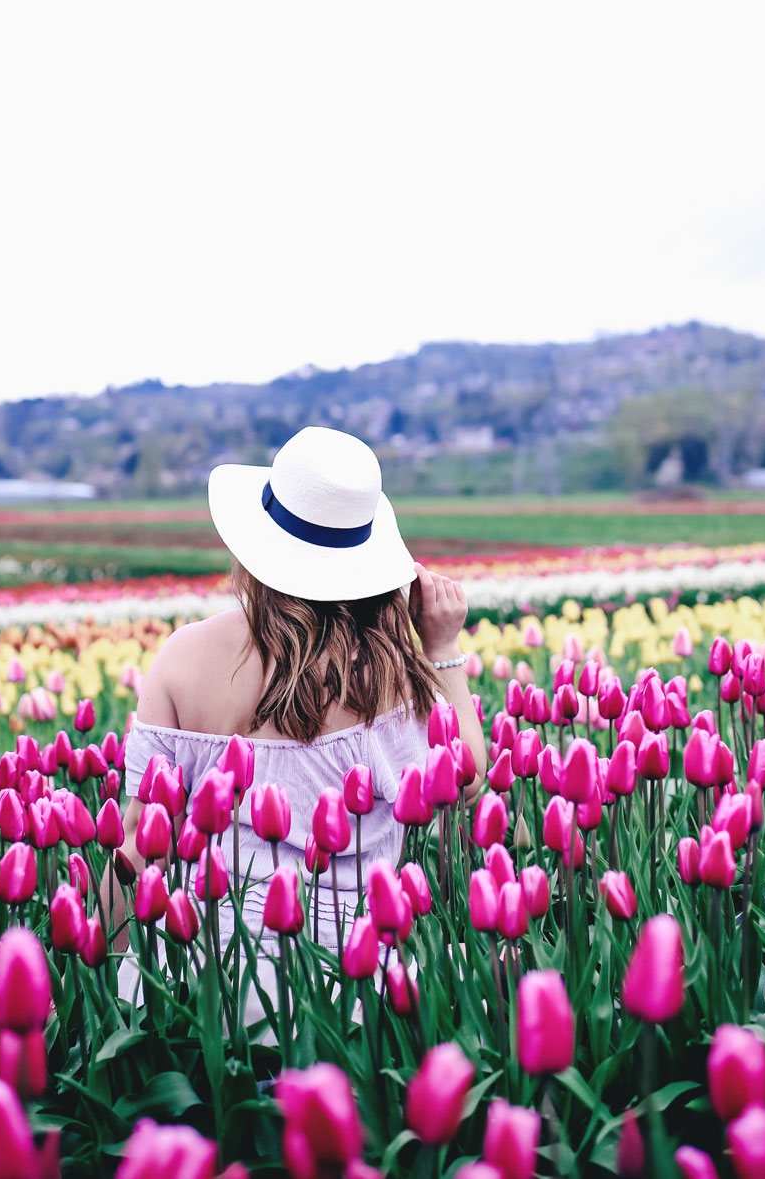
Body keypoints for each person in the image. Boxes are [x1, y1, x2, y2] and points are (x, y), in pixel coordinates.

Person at [109, 425, 486, 1001]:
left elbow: (138, 842)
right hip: (361, 977)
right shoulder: (395, 674)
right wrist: (441, 651)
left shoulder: (185, 657)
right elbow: (464, 779)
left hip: (206, 971)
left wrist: (101, 971)